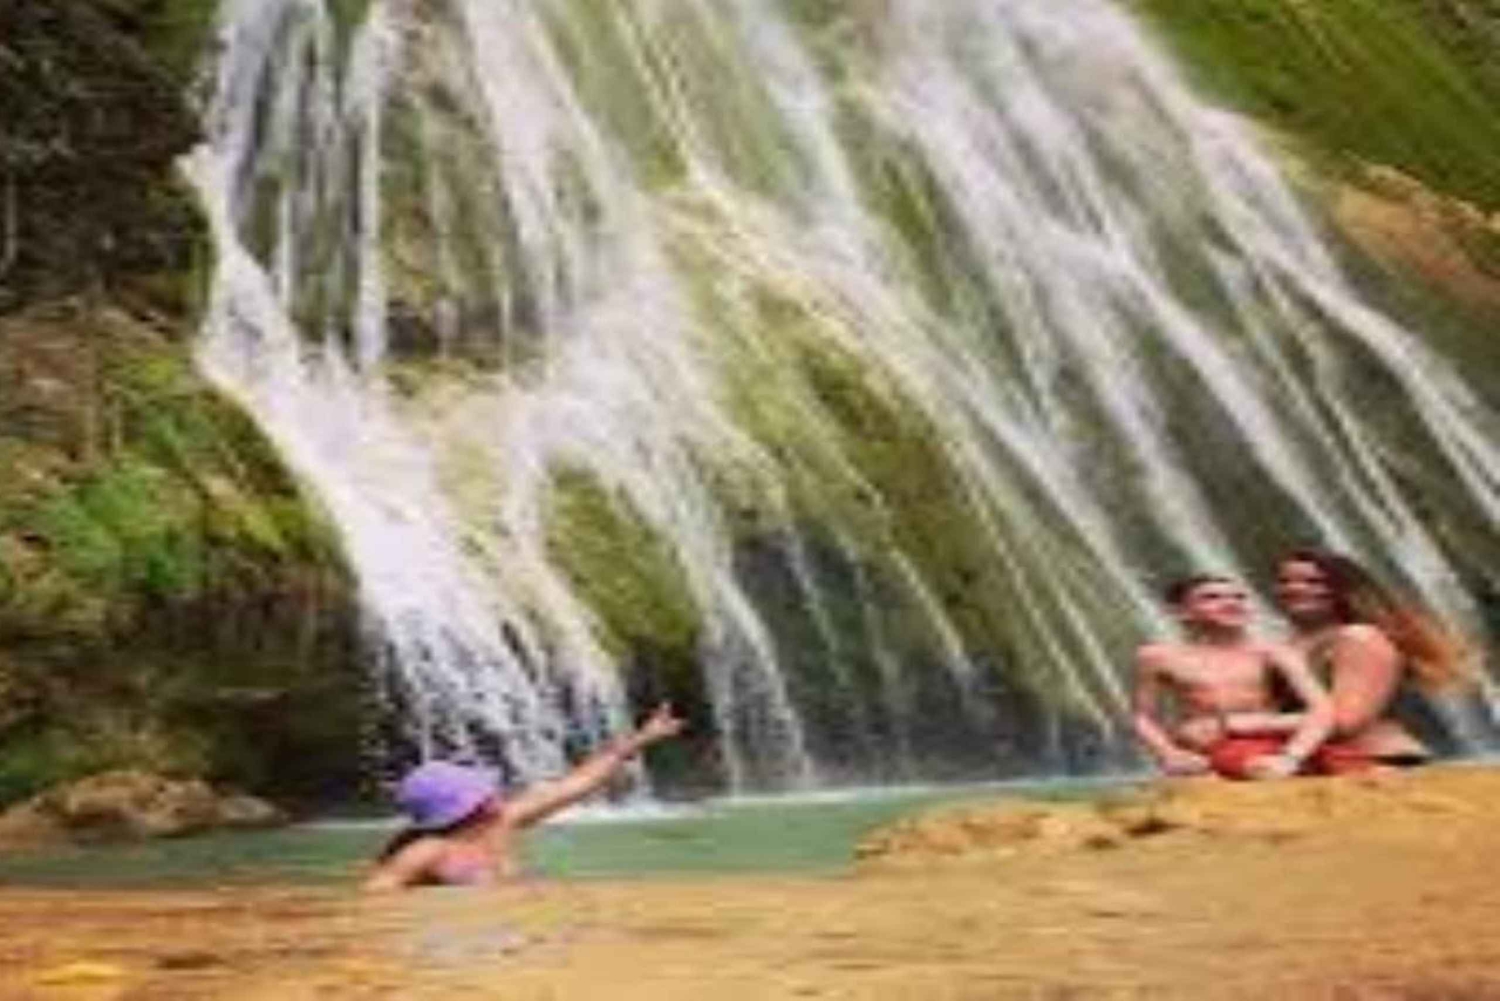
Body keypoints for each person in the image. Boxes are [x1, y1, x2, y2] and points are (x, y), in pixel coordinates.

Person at [363, 702, 685, 891]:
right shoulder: (426, 853)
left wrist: (643, 738)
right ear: (470, 806)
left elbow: (580, 782)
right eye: (485, 790)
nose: (496, 790)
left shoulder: (504, 820)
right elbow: (373, 901)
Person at [1210, 549, 1473, 775]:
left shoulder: (1359, 637)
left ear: (1342, 590)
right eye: (1285, 581)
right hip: (1315, 760)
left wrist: (1239, 725)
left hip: (1379, 760)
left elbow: (1346, 721)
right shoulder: (1288, 644)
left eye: (1314, 582)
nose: (1296, 588)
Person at [1133, 573, 1335, 780]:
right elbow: (1144, 717)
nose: (1231, 603)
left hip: (1270, 738)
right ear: (1182, 612)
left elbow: (1321, 709)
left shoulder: (1273, 652)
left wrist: (1290, 757)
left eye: (1239, 597)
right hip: (1210, 746)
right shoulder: (1158, 656)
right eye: (1211, 598)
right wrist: (1168, 753)